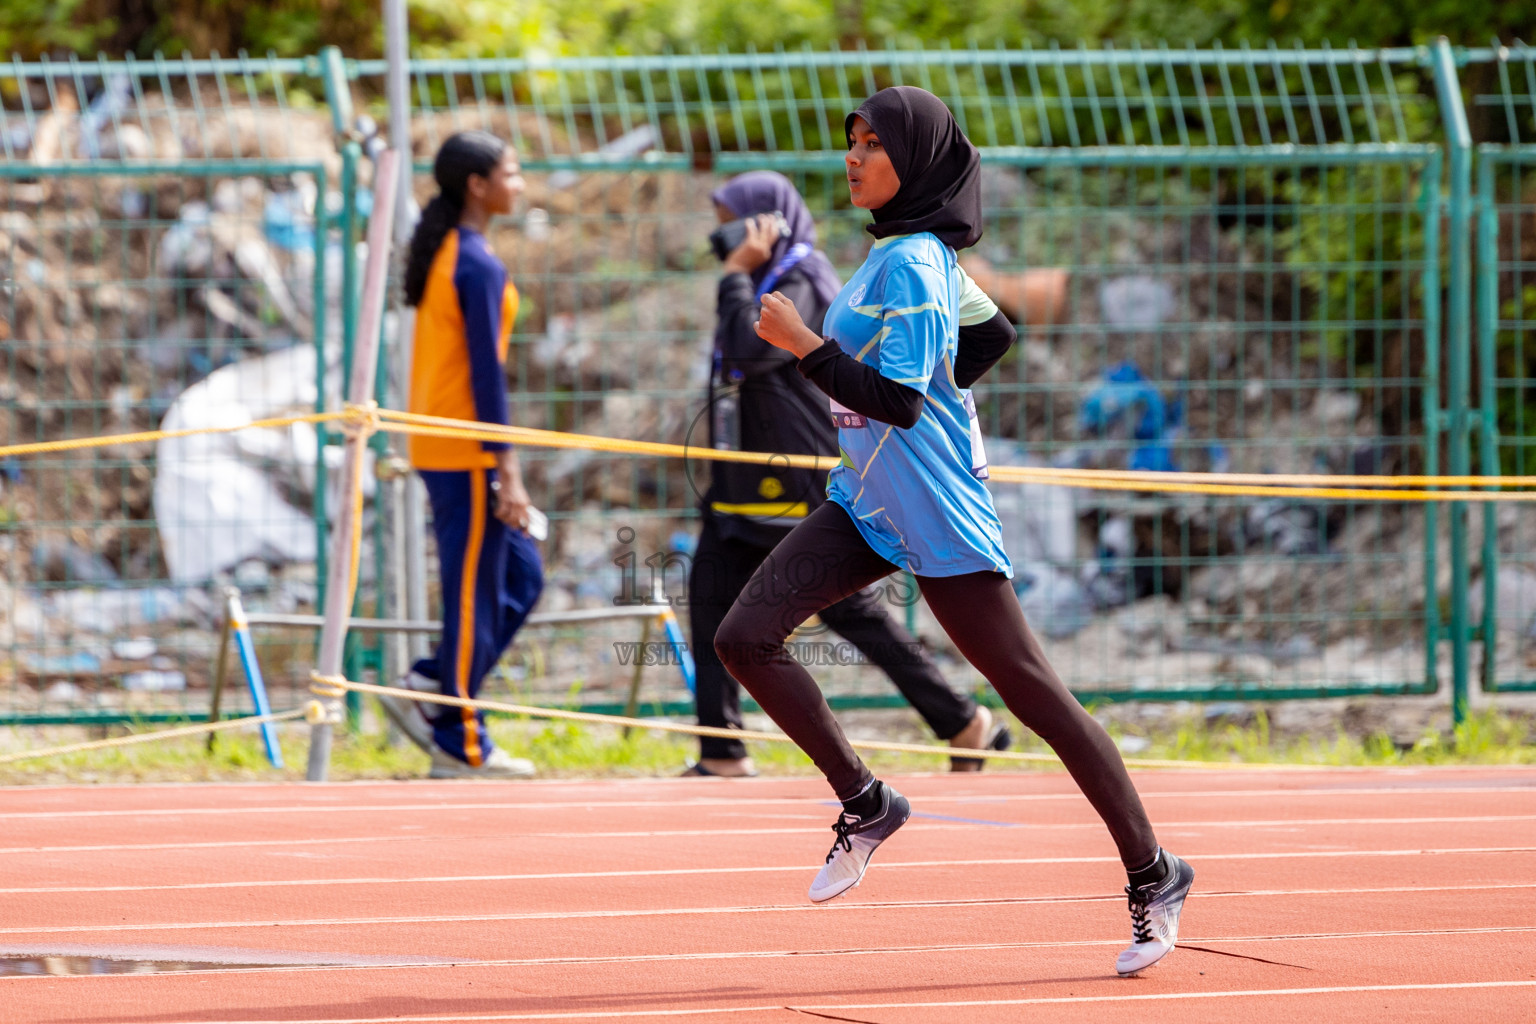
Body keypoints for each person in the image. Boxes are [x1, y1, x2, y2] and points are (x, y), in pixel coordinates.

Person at [713, 87, 1194, 977]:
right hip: (867, 502)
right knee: (744, 637)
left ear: (919, 162)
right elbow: (995, 333)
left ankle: (1156, 872)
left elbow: (895, 399)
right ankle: (867, 803)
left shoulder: (912, 265)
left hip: (938, 514)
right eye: (850, 141)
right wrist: (949, 396)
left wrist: (804, 344)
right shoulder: (900, 254)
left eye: (873, 145)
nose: (853, 158)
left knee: (1033, 696)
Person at [686, 170, 1011, 778]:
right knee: (710, 599)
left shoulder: (801, 281)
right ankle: (720, 747)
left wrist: (733, 274)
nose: (720, 233)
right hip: (740, 483)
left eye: (730, 217)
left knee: (850, 612)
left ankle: (961, 720)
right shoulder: (767, 280)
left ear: (766, 222)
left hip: (792, 478)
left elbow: (748, 351)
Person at [377, 130, 544, 780]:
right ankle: (462, 741)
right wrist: (507, 469)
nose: (520, 181)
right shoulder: (470, 260)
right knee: (474, 593)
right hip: (465, 451)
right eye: (512, 170)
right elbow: (486, 376)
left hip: (449, 445)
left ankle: (429, 683)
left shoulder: (456, 250)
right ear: (478, 185)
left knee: (523, 579)